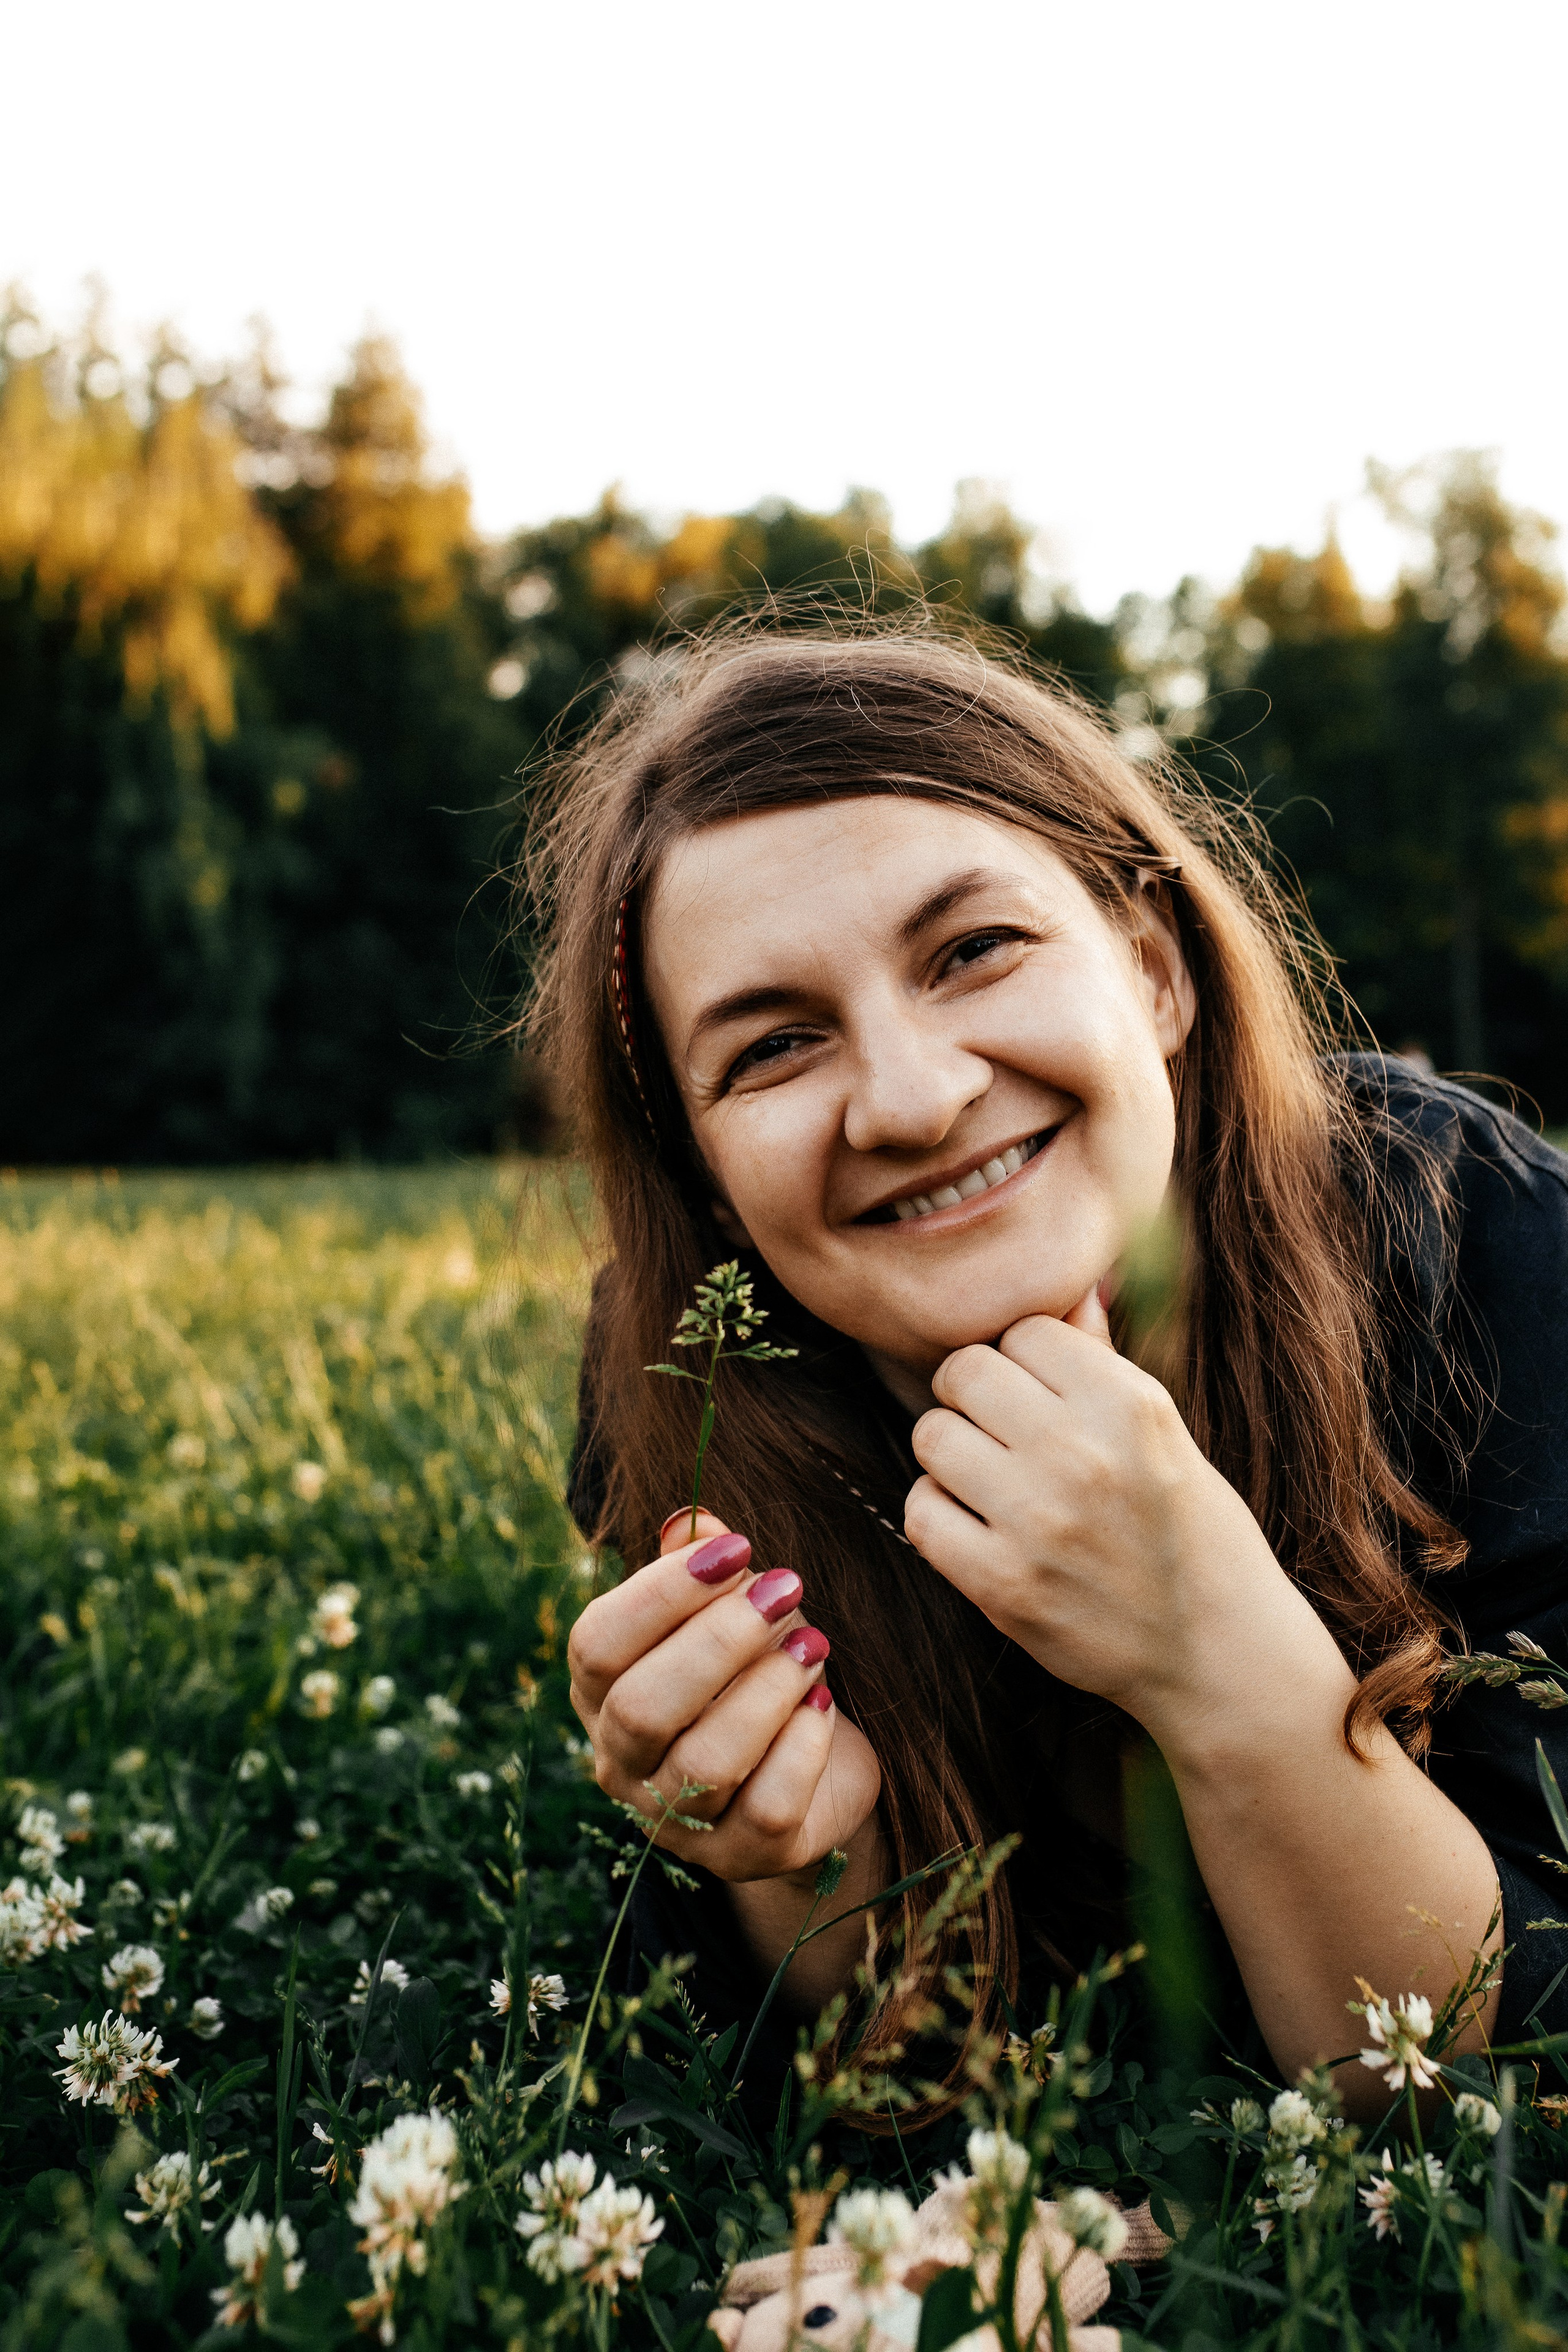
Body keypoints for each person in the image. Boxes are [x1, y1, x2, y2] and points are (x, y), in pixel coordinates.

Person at [523, 621, 1568, 2120]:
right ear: (706, 1181)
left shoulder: (1466, 1238)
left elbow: (1483, 2100)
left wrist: (1220, 1657)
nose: (908, 1099)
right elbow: (888, 2096)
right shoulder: (681, 1390)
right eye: (772, 1048)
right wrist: (800, 1865)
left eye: (972, 952)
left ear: (1150, 970)